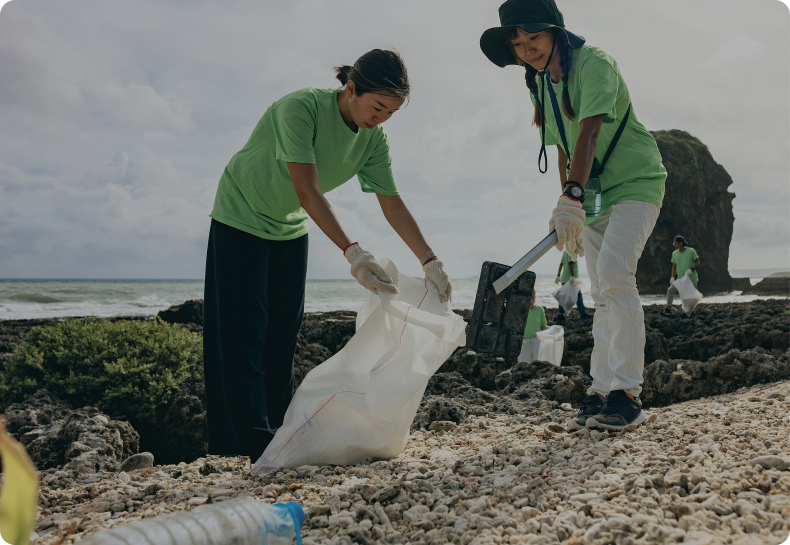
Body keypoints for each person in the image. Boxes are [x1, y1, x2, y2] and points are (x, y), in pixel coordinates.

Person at [203, 49, 453, 458]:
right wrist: (353, 252)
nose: (381, 118)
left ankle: (278, 434)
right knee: (243, 333)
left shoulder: (373, 138)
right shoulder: (300, 108)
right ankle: (241, 443)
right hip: (240, 217)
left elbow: (392, 203)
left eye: (391, 112)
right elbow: (307, 190)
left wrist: (430, 260)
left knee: (283, 335)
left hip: (288, 226)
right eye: (377, 107)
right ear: (351, 89)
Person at [480, 0, 666, 431]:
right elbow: (562, 148)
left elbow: (589, 130)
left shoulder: (594, 62)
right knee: (602, 291)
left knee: (617, 276)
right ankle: (602, 389)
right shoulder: (540, 82)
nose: (527, 48)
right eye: (518, 42)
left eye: (534, 37)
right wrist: (566, 208)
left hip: (636, 182)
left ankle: (628, 394)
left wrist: (574, 195)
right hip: (594, 194)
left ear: (556, 32)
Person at [665, 235, 701, 313]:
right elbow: (674, 266)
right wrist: (672, 277)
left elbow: (698, 262)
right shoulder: (674, 253)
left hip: (691, 279)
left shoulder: (691, 251)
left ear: (681, 243)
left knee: (692, 297)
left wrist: (691, 269)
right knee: (670, 291)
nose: (674, 244)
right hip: (680, 279)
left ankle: (688, 313)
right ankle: (668, 309)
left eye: (676, 243)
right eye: (673, 243)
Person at [554, 250, 588, 321]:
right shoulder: (571, 252)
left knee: (564, 297)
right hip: (571, 279)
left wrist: (558, 275)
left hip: (565, 279)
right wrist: (572, 276)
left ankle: (560, 314)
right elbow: (570, 264)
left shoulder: (565, 252)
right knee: (578, 296)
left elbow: (561, 264)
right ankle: (582, 313)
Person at [519, 289, 548, 363]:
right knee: (524, 366)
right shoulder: (519, 310)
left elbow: (543, 326)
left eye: (533, 298)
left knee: (538, 365)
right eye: (529, 298)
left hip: (537, 341)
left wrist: (554, 329)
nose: (531, 301)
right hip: (523, 342)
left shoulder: (540, 310)